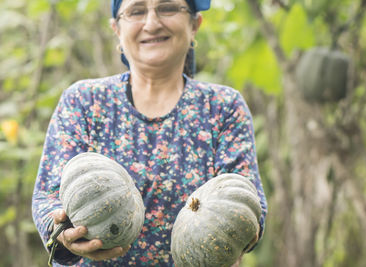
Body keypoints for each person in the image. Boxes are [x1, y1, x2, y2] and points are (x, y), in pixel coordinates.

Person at [32, 0, 268, 266]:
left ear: (194, 25)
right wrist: (63, 235)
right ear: (117, 30)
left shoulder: (223, 107)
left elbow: (248, 203)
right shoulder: (84, 101)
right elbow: (48, 197)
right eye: (136, 11)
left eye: (168, 8)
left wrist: (238, 230)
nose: (152, 23)